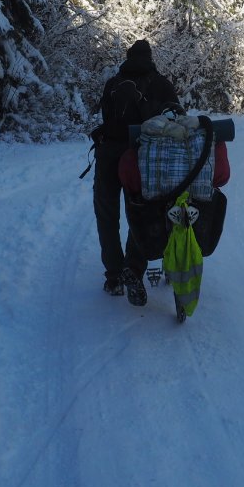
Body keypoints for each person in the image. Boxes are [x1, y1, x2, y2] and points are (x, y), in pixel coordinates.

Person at [91, 39, 181, 306]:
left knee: (106, 215)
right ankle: (133, 267)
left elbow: (107, 117)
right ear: (150, 58)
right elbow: (176, 117)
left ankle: (114, 277)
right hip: (141, 156)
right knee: (140, 213)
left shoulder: (113, 84)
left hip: (108, 155)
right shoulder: (161, 84)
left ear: (128, 58)